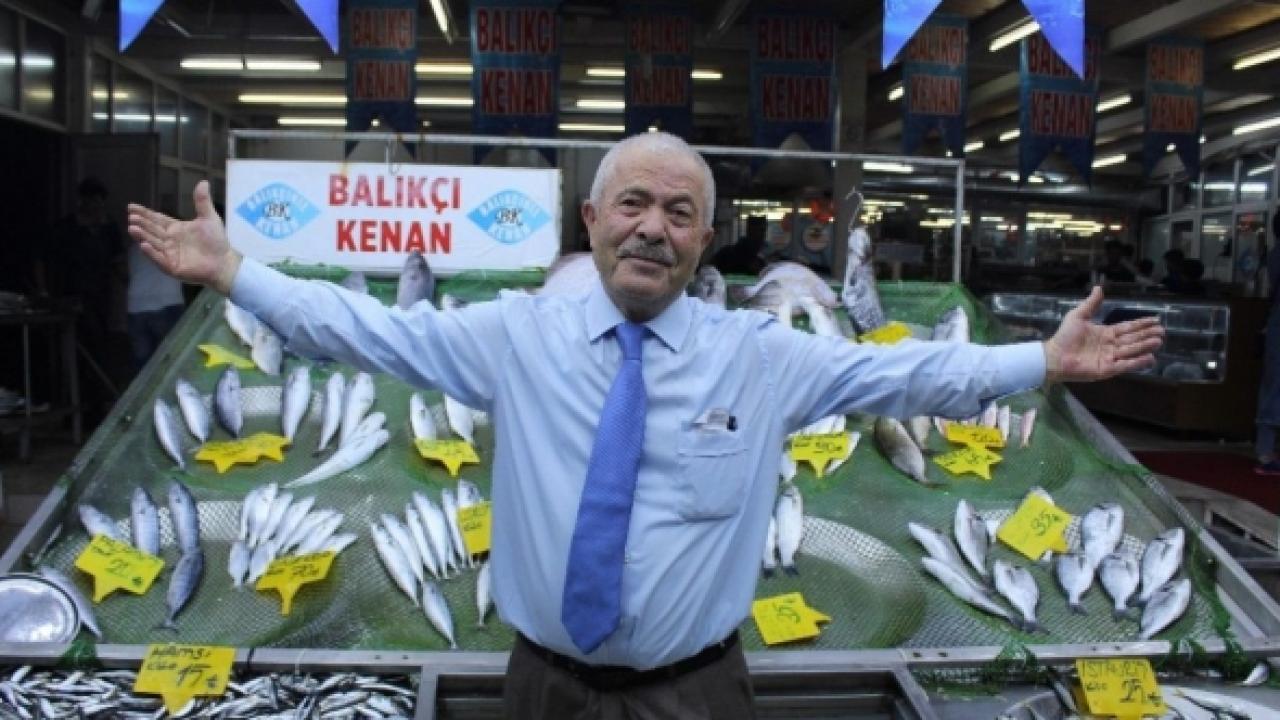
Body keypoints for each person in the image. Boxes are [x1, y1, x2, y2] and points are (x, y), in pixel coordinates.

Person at [127, 132, 1163, 719]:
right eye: (630, 204)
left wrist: (1039, 362)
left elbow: (905, 374)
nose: (651, 229)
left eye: (678, 213)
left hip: (697, 692)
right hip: (542, 685)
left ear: (705, 238)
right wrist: (235, 272)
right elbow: (362, 329)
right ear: (590, 221)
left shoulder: (759, 356)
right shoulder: (515, 336)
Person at [36, 177, 127, 423]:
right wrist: (44, 293)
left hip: (100, 301)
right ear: (82, 202)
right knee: (72, 354)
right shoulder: (65, 229)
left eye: (100, 202)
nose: (97, 208)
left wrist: (129, 286)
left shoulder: (109, 229)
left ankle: (94, 409)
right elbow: (42, 258)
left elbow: (118, 262)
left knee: (98, 352)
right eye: (92, 202)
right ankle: (71, 409)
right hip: (69, 299)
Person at [1257, 208, 1280, 476]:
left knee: (1273, 386)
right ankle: (1265, 453)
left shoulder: (1273, 255)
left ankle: (1266, 450)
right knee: (1275, 388)